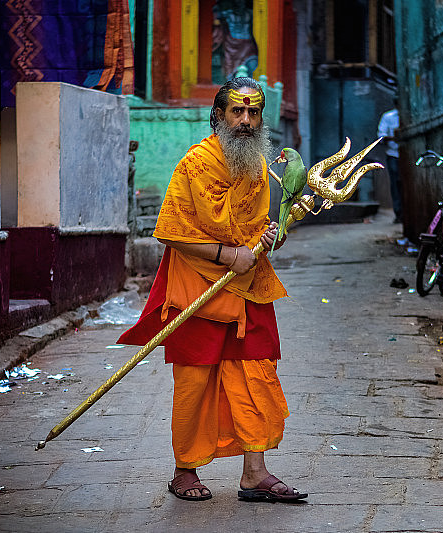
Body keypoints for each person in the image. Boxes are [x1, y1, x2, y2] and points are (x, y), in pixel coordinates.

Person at [118, 77, 307, 503]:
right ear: (219, 114)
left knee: (259, 370)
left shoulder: (259, 166)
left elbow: (256, 229)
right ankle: (184, 470)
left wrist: (272, 236)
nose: (245, 121)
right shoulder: (196, 163)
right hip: (197, 288)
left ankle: (254, 473)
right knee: (195, 379)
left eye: (253, 112)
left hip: (249, 287)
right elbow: (171, 231)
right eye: (236, 111)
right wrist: (227, 254)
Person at [377, 100, 401, 223]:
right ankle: (398, 213)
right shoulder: (389, 117)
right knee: (396, 184)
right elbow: (381, 136)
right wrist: (394, 137)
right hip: (393, 154)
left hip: (407, 154)